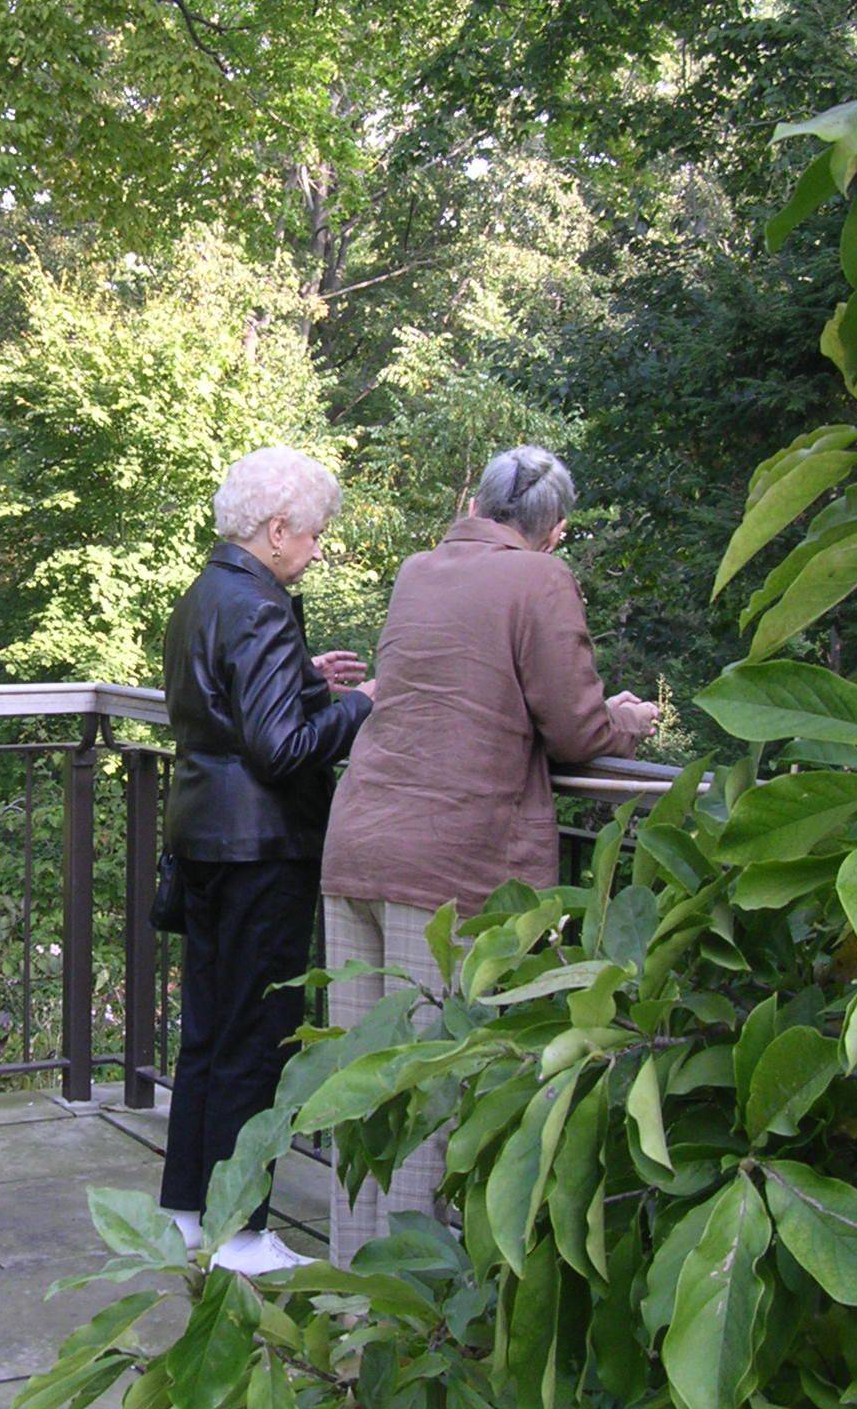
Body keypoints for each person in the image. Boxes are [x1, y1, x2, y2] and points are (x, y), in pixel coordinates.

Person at [320, 444, 659, 1264]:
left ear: (474, 506)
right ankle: (417, 1330)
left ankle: (352, 1301)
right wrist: (627, 723)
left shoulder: (416, 570)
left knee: (363, 1093)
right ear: (558, 531)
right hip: (453, 868)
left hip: (359, 842)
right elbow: (575, 728)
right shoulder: (539, 579)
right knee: (437, 1095)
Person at [158, 446, 374, 1276]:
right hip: (261, 851)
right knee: (257, 1040)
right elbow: (281, 750)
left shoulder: (204, 596)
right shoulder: (263, 606)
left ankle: (188, 1212)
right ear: (278, 529)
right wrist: (359, 705)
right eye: (314, 535)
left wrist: (307, 680)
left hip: (204, 841)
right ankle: (243, 1232)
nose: (318, 550)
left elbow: (225, 706)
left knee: (209, 1034)